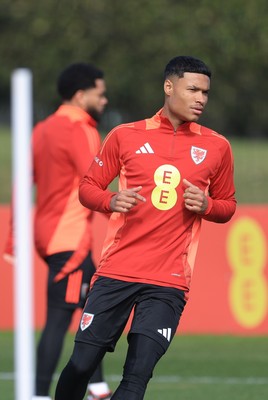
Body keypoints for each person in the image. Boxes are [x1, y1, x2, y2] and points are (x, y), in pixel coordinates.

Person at [54, 56, 237, 400]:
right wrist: (111, 201)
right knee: (80, 365)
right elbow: (88, 187)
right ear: (169, 87)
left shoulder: (217, 146)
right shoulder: (125, 135)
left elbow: (227, 205)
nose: (201, 99)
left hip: (168, 282)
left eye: (206, 92)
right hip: (116, 271)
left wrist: (208, 206)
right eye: (193, 89)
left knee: (136, 378)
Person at [4, 63, 112, 400]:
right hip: (70, 240)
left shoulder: (42, 128)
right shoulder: (83, 129)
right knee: (60, 317)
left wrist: (14, 234)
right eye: (100, 93)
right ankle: (37, 394)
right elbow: (94, 185)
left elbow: (23, 182)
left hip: (47, 234)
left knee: (94, 308)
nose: (105, 100)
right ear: (81, 96)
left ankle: (96, 387)